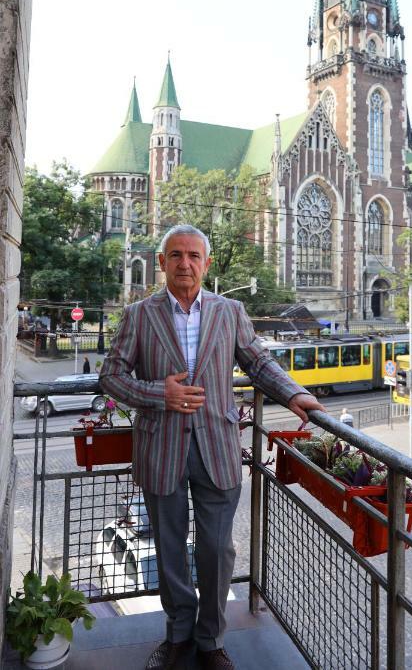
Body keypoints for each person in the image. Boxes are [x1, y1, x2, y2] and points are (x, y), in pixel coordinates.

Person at [101, 224, 323, 670]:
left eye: (194, 256)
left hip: (217, 447)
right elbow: (111, 376)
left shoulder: (230, 311)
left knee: (217, 551)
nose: (185, 264)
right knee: (167, 548)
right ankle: (178, 633)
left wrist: (294, 393)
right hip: (159, 447)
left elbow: (258, 361)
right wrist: (159, 394)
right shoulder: (139, 315)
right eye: (176, 255)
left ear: (207, 263)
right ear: (161, 262)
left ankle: (211, 638)